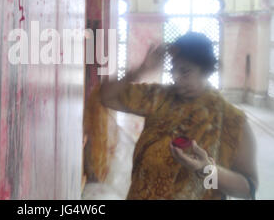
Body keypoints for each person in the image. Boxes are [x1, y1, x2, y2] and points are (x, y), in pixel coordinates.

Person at [99, 31, 258, 199]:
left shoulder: (232, 121)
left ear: (207, 71)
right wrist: (141, 69)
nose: (176, 78)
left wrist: (206, 169)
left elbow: (248, 189)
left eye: (185, 71)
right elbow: (107, 97)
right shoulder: (159, 97)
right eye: (173, 69)